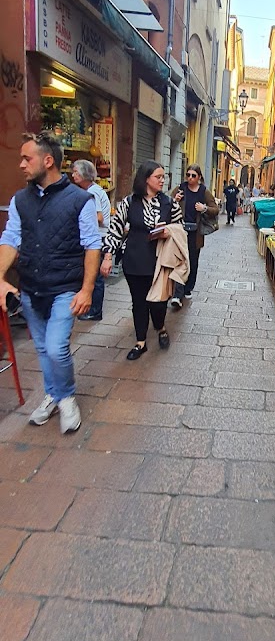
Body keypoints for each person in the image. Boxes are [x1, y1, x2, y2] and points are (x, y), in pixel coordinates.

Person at [0, 131, 102, 434]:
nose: (21, 165)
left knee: (57, 348)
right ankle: (53, 394)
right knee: (43, 348)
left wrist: (86, 290)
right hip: (31, 288)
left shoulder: (80, 200)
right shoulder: (20, 200)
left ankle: (66, 396)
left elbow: (92, 246)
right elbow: (11, 238)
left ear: (47, 161)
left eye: (26, 158)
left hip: (65, 289)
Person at [100, 161, 183, 360]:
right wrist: (108, 256)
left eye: (164, 177)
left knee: (158, 302)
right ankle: (140, 342)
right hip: (135, 260)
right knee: (139, 302)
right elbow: (115, 230)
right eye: (158, 177)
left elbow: (180, 230)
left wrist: (167, 231)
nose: (163, 180)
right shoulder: (129, 202)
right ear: (146, 179)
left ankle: (161, 327)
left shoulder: (170, 203)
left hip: (160, 262)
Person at [170, 164, 219, 309]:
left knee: (193, 260)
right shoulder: (181, 188)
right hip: (180, 230)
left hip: (196, 232)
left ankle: (188, 288)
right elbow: (167, 201)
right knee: (180, 260)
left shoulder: (204, 192)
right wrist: (175, 199)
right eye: (188, 175)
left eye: (193, 176)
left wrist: (204, 209)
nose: (190, 178)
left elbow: (215, 209)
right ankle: (178, 291)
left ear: (199, 177)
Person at [72, 160, 111, 321]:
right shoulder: (93, 190)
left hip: (99, 237)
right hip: (100, 236)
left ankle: (94, 311)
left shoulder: (92, 192)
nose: (72, 175)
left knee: (95, 275)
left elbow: (99, 217)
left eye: (75, 172)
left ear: (83, 174)